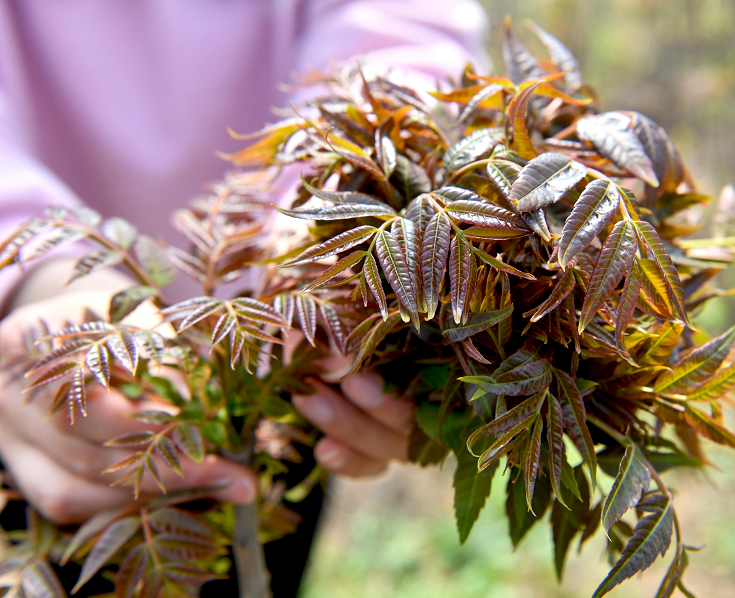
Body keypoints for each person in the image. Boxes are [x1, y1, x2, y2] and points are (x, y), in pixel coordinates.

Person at [0, 0, 489, 594]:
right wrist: (37, 274)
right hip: (43, 365)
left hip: (296, 364)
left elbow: (398, 36)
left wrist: (333, 219)